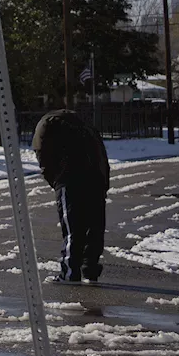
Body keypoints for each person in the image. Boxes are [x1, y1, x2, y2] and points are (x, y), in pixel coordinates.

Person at [32, 109, 111, 283]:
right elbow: (102, 155)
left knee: (73, 228)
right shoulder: (85, 127)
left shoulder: (48, 125)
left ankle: (69, 273)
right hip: (96, 178)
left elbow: (43, 157)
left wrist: (57, 181)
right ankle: (90, 268)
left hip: (70, 179)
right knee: (94, 227)